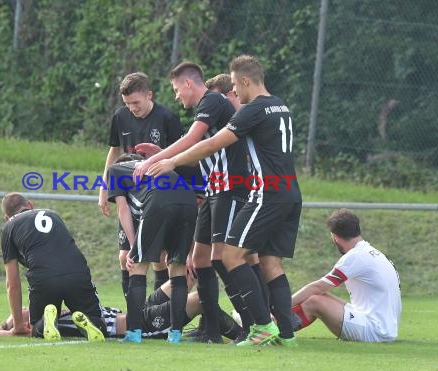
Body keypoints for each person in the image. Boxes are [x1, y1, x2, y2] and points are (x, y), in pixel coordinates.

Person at [147, 55, 303, 347]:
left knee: (231, 257)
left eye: (234, 84)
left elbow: (211, 143)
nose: (234, 91)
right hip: (291, 192)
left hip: (265, 193)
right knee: (271, 264)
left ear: (244, 80)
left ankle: (261, 327)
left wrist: (170, 161)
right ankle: (287, 334)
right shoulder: (281, 105)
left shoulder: (253, 109)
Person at [134, 62, 252, 344]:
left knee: (226, 259)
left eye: (176, 90)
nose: (177, 97)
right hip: (213, 191)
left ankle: (254, 325)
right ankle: (210, 330)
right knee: (200, 260)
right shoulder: (207, 110)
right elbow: (196, 154)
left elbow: (192, 139)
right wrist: (162, 154)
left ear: (188, 84)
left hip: (230, 188)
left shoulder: (212, 100)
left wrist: (155, 160)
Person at [98, 72, 183, 297]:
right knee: (125, 255)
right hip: (127, 191)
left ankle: (157, 309)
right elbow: (114, 151)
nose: (132, 108)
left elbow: (181, 156)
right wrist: (103, 187)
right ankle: (133, 313)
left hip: (156, 195)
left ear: (149, 95)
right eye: (127, 103)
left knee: (159, 257)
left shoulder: (167, 118)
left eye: (136, 102)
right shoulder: (120, 117)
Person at [0, 275, 243, 342]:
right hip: (138, 324)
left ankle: (210, 332)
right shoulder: (46, 325)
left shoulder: (61, 310)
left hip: (136, 309)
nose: (22, 310)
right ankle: (242, 335)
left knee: (185, 277)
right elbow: (13, 333)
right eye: (17, 316)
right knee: (200, 299)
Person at [107, 153, 197, 343]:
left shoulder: (114, 171)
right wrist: (187, 253)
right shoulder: (149, 165)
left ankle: (134, 332)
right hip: (189, 201)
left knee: (138, 266)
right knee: (177, 268)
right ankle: (175, 334)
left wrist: (133, 246)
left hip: (159, 200)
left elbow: (122, 210)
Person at [0, 192, 106, 341]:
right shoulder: (53, 215)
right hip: (76, 271)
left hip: (44, 278)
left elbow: (12, 283)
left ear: (7, 217)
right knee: (98, 322)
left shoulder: (8, 227)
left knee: (36, 329)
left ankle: (46, 322)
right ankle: (89, 321)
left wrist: (18, 326)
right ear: (30, 205)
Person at [291, 209, 401, 342]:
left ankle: (273, 329)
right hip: (384, 328)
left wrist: (282, 306)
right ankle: (274, 324)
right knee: (319, 296)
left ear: (335, 236)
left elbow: (318, 287)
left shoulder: (356, 256)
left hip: (374, 330)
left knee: (314, 301)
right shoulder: (373, 253)